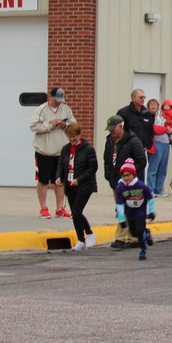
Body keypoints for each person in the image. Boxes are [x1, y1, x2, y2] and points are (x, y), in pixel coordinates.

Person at [29, 87, 75, 218]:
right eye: (57, 100)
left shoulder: (66, 109)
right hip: (44, 151)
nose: (59, 103)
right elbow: (33, 126)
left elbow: (74, 124)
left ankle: (60, 208)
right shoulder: (41, 110)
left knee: (59, 181)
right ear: (51, 97)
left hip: (61, 152)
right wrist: (50, 125)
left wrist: (64, 125)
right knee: (43, 180)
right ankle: (43, 208)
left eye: (61, 100)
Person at [103, 115, 147, 249]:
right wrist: (109, 177)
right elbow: (107, 160)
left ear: (120, 127)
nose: (111, 132)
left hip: (130, 183)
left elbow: (142, 161)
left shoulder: (133, 141)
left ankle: (132, 238)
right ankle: (123, 238)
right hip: (116, 182)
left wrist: (129, 175)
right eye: (109, 130)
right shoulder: (109, 141)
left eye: (113, 129)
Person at [58, 122, 98, 251]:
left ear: (80, 135)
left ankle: (90, 233)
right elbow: (60, 165)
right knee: (74, 214)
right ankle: (81, 239)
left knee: (76, 211)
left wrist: (78, 180)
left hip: (84, 185)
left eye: (74, 136)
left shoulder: (88, 149)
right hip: (70, 186)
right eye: (69, 136)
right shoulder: (65, 149)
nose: (72, 139)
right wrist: (59, 177)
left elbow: (92, 168)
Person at [114, 159, 153, 261]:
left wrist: (152, 211)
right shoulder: (120, 188)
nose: (126, 178)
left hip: (140, 212)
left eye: (128, 175)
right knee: (134, 233)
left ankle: (142, 250)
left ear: (134, 175)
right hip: (129, 213)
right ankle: (147, 232)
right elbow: (119, 204)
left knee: (139, 233)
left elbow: (150, 198)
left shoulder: (141, 186)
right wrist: (122, 220)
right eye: (124, 176)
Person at [146, 98, 172, 198]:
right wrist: (166, 129)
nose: (154, 106)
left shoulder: (161, 116)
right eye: (151, 105)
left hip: (166, 143)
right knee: (153, 168)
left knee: (162, 168)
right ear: (148, 107)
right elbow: (155, 129)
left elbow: (170, 126)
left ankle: (159, 190)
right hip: (155, 144)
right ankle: (150, 190)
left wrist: (170, 130)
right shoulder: (147, 117)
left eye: (155, 105)